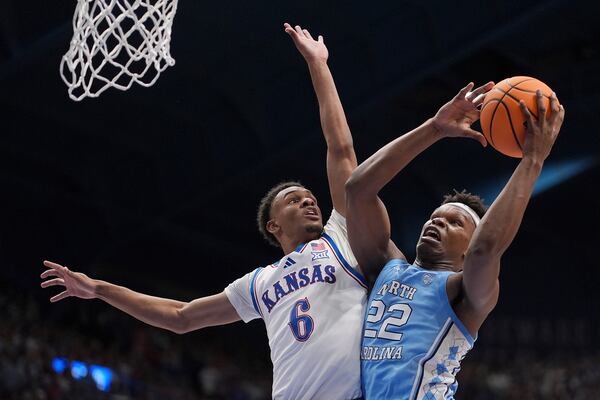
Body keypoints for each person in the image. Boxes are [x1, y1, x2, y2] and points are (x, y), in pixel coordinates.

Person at [40, 24, 367, 400]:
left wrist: (318, 66)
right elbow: (182, 317)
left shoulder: (340, 235)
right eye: (294, 200)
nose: (309, 201)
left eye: (310, 197)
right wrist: (98, 289)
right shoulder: (259, 283)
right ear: (273, 225)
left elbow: (340, 148)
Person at [345, 86, 564, 398]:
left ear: (466, 250)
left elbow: (485, 248)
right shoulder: (386, 266)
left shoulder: (463, 293)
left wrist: (533, 160)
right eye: (435, 217)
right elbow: (358, 189)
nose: (437, 221)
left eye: (454, 222)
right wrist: (433, 129)